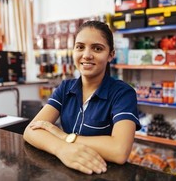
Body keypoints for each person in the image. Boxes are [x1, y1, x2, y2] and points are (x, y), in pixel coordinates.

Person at [23, 20, 141, 175]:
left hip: (102, 173)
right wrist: (62, 149)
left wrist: (65, 137)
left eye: (97, 48)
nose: (87, 55)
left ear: (111, 55)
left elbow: (119, 151)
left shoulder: (123, 93)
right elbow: (31, 131)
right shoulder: (65, 88)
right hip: (69, 170)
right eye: (80, 47)